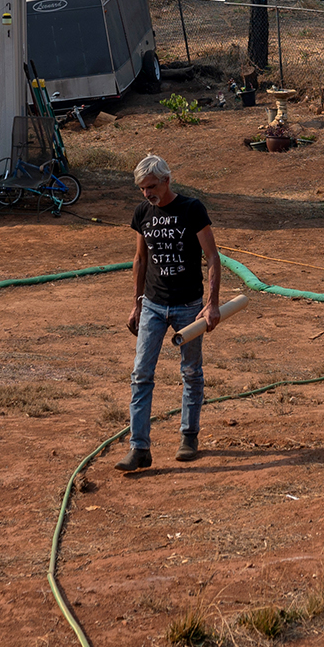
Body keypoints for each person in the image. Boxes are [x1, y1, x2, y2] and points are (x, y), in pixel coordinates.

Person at [117, 154, 220, 473]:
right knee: (141, 375)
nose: (147, 194)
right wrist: (136, 302)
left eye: (151, 187)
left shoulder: (192, 209)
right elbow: (140, 259)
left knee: (191, 372)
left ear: (166, 181)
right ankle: (139, 448)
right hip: (152, 304)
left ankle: (189, 437)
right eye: (142, 188)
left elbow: (213, 258)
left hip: (188, 305)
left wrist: (212, 302)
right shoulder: (142, 212)